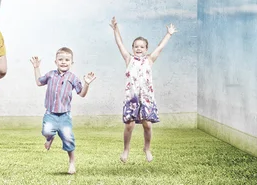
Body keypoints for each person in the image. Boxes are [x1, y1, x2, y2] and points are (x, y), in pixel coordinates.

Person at [110, 16, 177, 163]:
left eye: (141, 47)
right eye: (136, 46)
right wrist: (116, 29)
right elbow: (120, 44)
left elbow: (160, 47)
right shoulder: (129, 59)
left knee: (147, 124)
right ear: (133, 48)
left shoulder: (149, 60)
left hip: (146, 98)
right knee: (130, 125)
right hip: (132, 99)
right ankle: (126, 149)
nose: (138, 48)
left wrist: (168, 34)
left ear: (146, 49)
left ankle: (147, 148)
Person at [30, 47, 97, 175]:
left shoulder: (72, 78)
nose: (63, 62)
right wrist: (36, 67)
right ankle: (50, 138)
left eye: (67, 60)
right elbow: (39, 82)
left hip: (65, 116)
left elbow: (81, 94)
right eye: (60, 59)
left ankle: (72, 162)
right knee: (46, 131)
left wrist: (87, 83)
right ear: (55, 61)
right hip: (50, 113)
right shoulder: (50, 75)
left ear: (71, 62)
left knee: (68, 138)